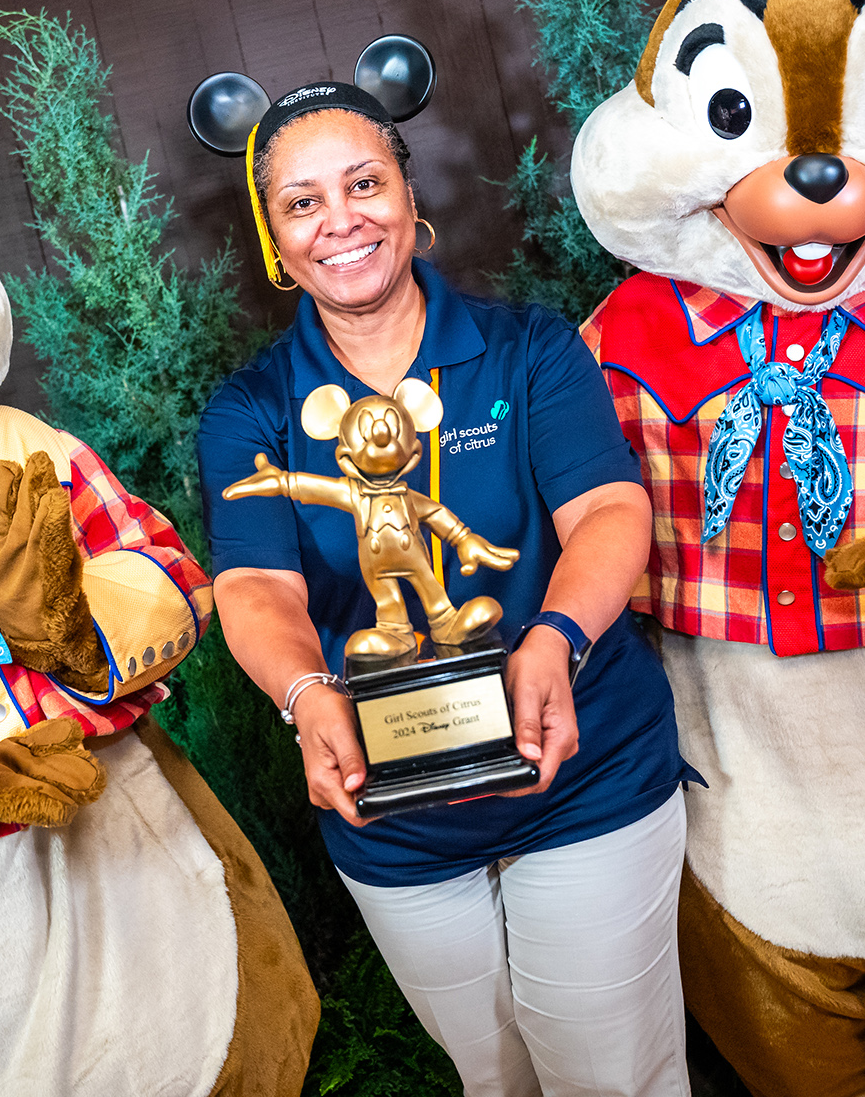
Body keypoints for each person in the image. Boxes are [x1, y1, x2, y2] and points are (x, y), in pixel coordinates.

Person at [198, 82, 697, 1097]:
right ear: (277, 240)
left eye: (364, 182)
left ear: (407, 195)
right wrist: (305, 694)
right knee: (494, 1075)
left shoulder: (529, 347)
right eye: (302, 202)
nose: (341, 218)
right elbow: (255, 584)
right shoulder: (250, 407)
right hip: (395, 806)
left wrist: (553, 636)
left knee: (611, 1073)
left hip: (582, 765)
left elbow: (607, 513)